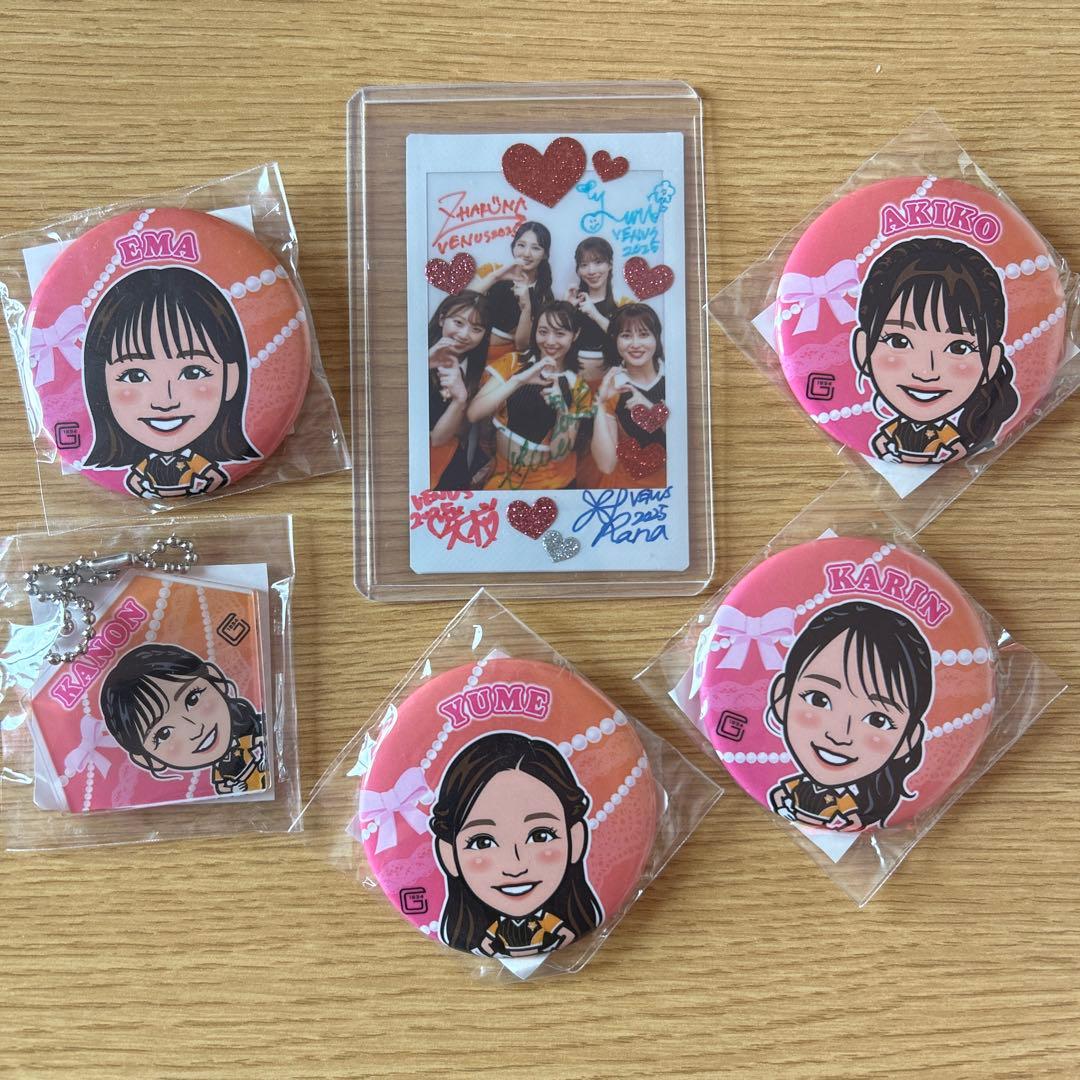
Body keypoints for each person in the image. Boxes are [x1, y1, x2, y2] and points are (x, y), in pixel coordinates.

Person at [82, 266, 260, 498]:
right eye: (135, 376)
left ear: (232, 377)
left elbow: (211, 475)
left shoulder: (195, 460)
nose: (165, 402)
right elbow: (135, 480)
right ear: (99, 384)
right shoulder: (146, 463)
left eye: (193, 372)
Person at [430, 731, 602, 956]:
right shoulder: (487, 931)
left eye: (540, 836)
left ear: (576, 839)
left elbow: (564, 933)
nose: (515, 866)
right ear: (448, 855)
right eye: (482, 842)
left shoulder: (550, 921)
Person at [765, 601, 932, 831]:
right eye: (818, 699)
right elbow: (778, 796)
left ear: (908, 740)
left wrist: (850, 825)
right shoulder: (796, 785)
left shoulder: (850, 801)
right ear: (781, 697)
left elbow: (853, 820)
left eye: (877, 720)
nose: (839, 735)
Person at [852, 236, 1019, 464]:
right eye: (899, 341)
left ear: (991, 362)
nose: (926, 371)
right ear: (862, 349)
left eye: (959, 348)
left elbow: (958, 449)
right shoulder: (896, 428)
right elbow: (880, 442)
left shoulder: (946, 432)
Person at [100, 643, 267, 795]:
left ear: (214, 678)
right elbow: (223, 786)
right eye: (164, 734)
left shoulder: (257, 728)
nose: (196, 730)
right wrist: (235, 788)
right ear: (147, 759)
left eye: (193, 699)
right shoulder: (219, 770)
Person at [468, 301, 592, 490]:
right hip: (501, 473)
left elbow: (559, 454)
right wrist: (518, 381)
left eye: (560, 334)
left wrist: (562, 410)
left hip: (547, 482)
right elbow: (474, 414)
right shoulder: (514, 362)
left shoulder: (578, 387)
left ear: (575, 335)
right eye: (543, 331)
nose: (550, 341)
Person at [590, 303, 668, 488]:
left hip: (673, 487)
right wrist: (599, 404)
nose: (635, 344)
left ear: (656, 337)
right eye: (626, 336)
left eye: (643, 334)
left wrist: (652, 411)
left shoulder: (673, 379)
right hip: (628, 490)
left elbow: (686, 442)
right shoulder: (614, 387)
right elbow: (606, 465)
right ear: (615, 340)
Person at [427, 290, 492, 489]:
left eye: (476, 329)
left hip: (450, 466)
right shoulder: (415, 354)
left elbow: (447, 437)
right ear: (441, 319)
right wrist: (423, 364)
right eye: (458, 323)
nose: (464, 335)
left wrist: (460, 399)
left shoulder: (480, 372)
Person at [473, 222, 554, 361]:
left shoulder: (543, 294)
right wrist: (495, 277)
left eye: (536, 248)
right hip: (471, 348)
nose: (526, 254)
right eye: (521, 245)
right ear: (513, 246)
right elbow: (459, 304)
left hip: (504, 360)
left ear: (545, 254)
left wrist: (526, 307)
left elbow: (522, 345)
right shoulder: (493, 270)